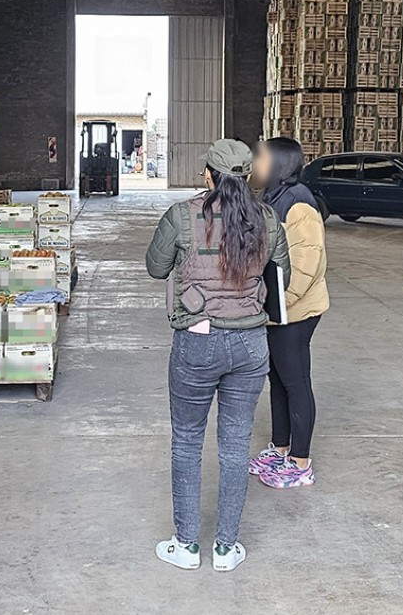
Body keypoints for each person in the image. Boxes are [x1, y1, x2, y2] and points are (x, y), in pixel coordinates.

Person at [146, 138, 290, 573]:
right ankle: (226, 548)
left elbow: (155, 267)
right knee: (234, 445)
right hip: (249, 345)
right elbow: (281, 274)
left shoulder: (182, 216)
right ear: (247, 176)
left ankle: (187, 546)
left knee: (188, 440)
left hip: (197, 341)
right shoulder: (267, 219)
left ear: (208, 174)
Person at [249, 137, 329, 489]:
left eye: (261, 157)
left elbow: (306, 264)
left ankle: (300, 462)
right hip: (277, 310)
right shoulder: (274, 199)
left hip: (296, 312)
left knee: (295, 382)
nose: (256, 162)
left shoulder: (299, 206)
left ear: (279, 163)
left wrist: (279, 303)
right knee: (278, 380)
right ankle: (280, 449)